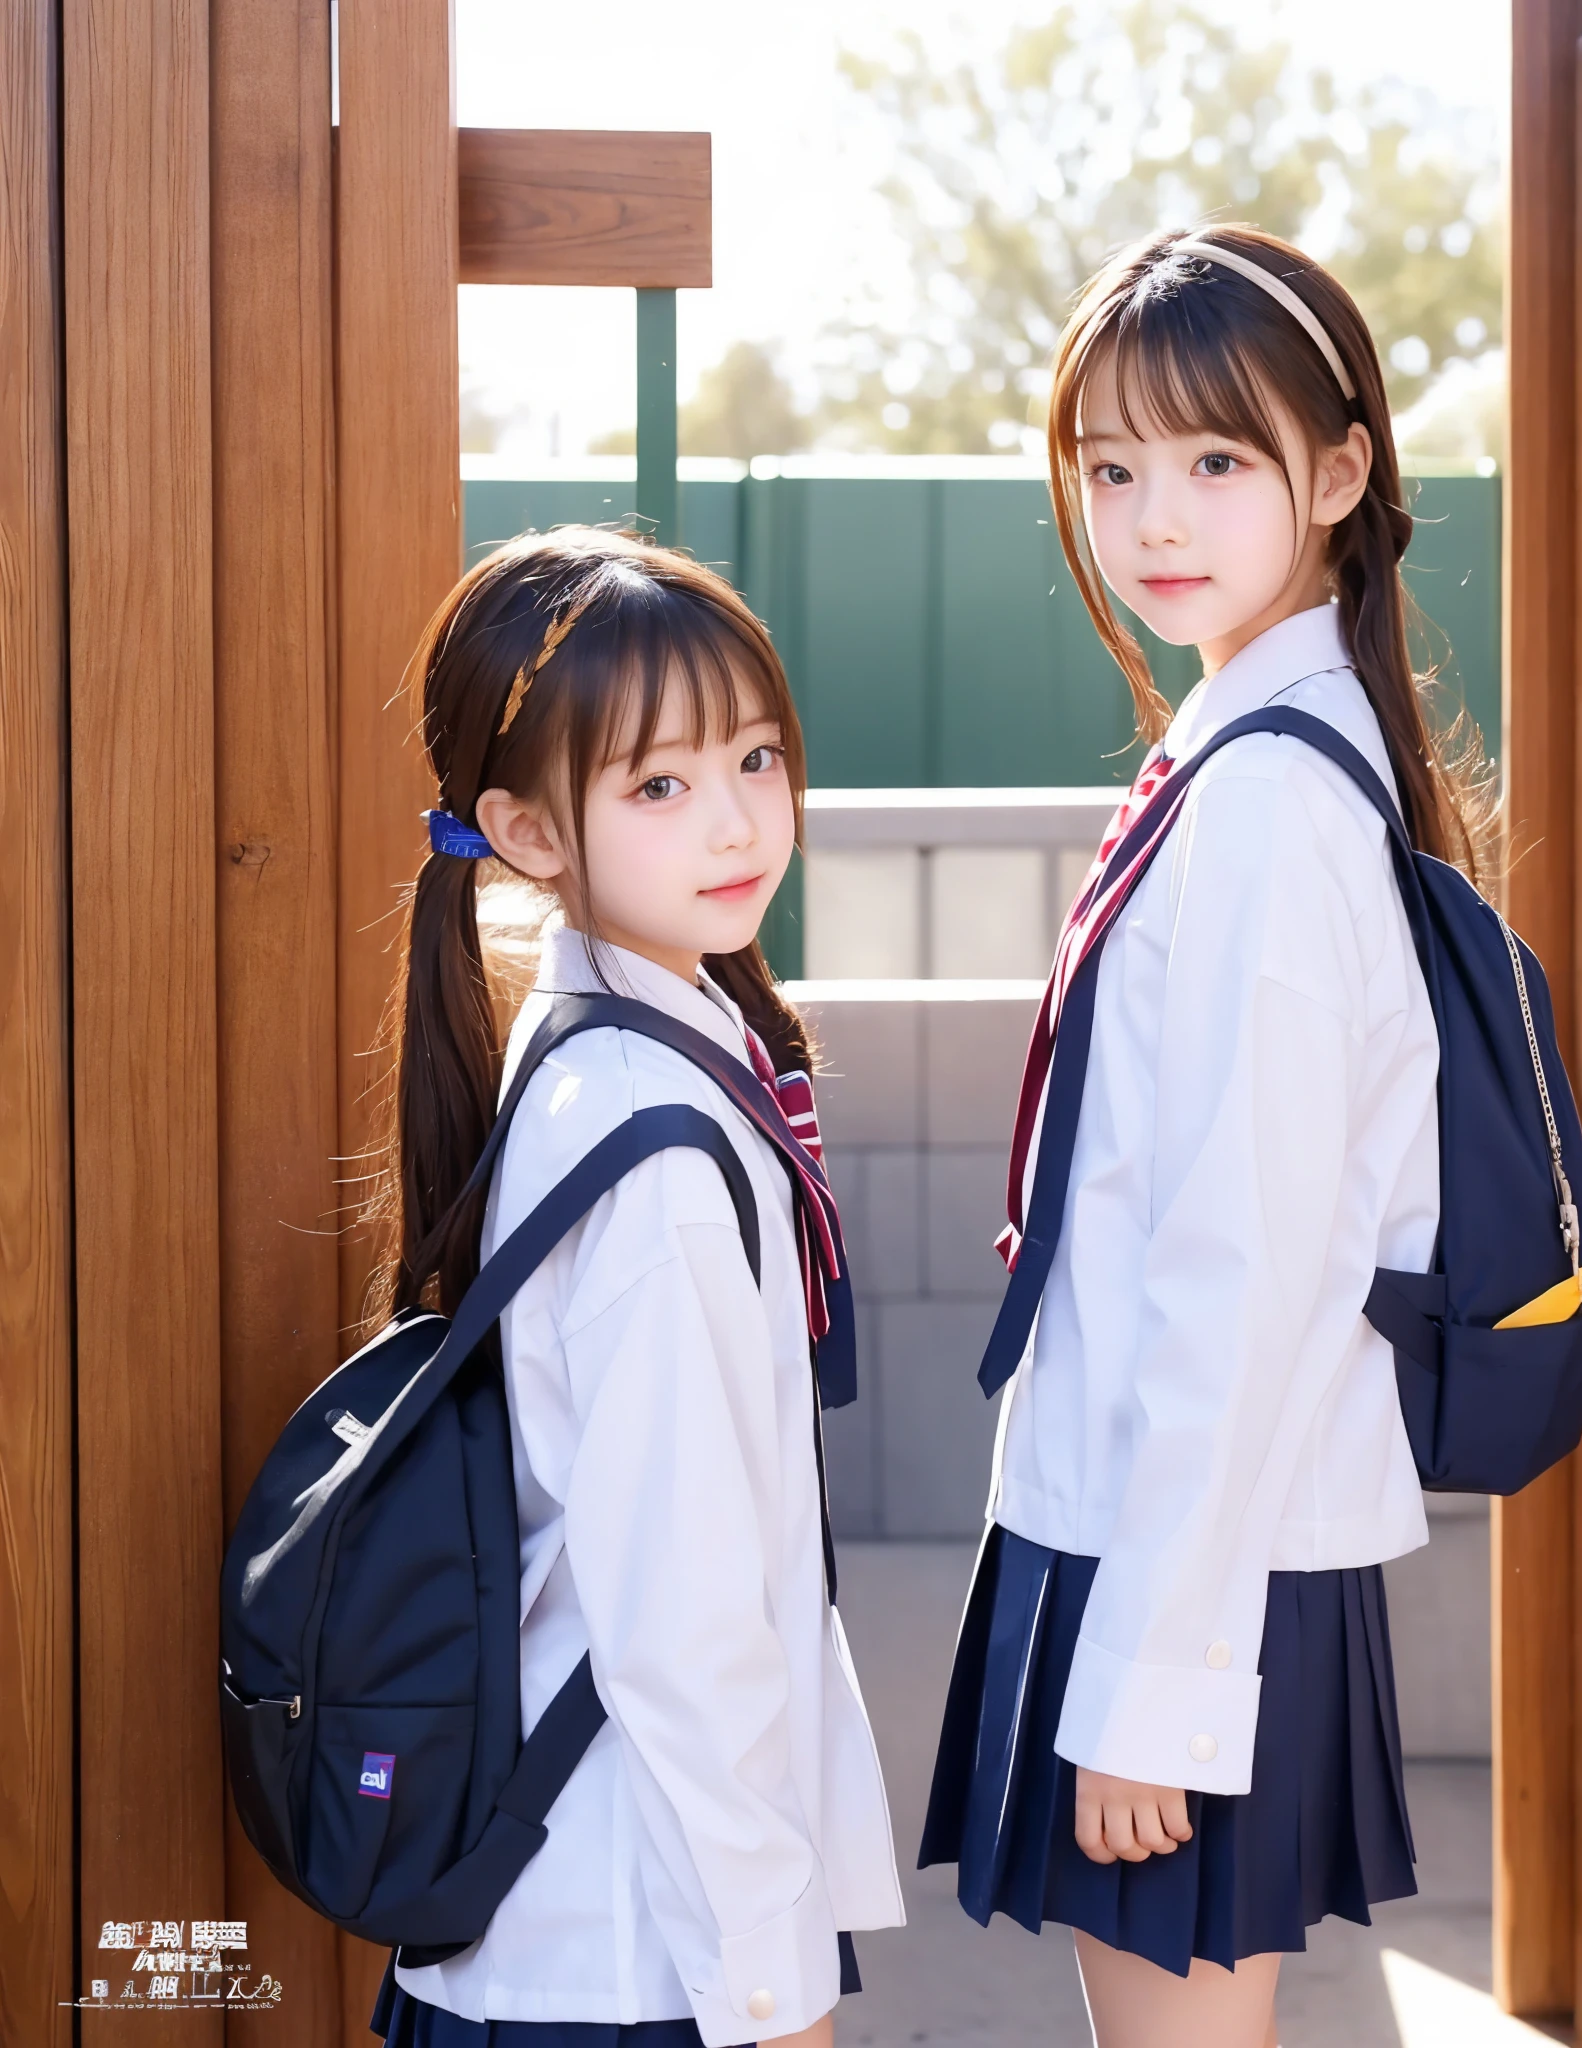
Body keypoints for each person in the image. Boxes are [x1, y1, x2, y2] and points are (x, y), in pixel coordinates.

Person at [921, 227, 1483, 2048]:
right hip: (1173, 1529)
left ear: (1338, 473)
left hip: (1186, 1563)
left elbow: (1252, 1268)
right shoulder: (1256, 751)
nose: (1153, 515)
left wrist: (1158, 1679)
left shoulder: (1267, 806)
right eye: (1109, 467)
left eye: (1215, 461)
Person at [363, 529, 903, 2048]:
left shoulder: (618, 1048)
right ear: (528, 831)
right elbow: (682, 1609)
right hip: (624, 1955)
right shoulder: (648, 1143)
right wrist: (770, 1983)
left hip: (599, 1920)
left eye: (754, 756)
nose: (734, 819)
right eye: (658, 785)